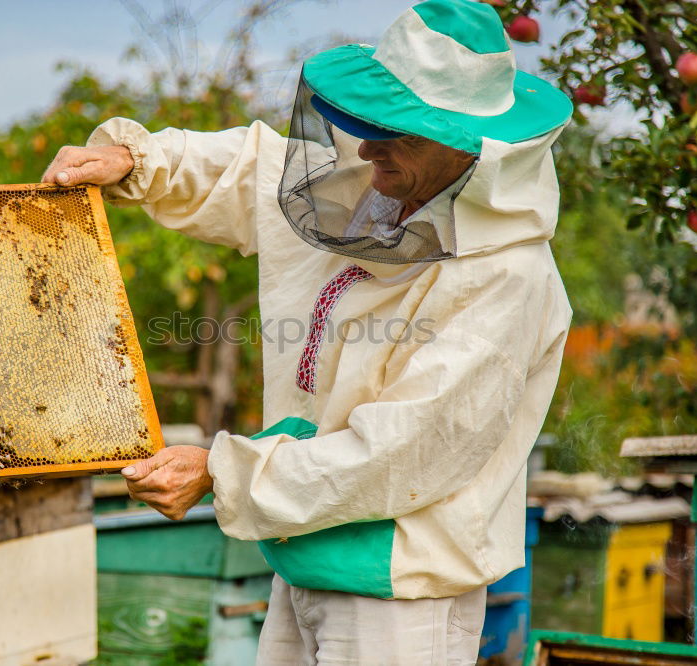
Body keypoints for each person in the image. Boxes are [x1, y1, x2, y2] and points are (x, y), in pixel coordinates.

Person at [43, 1, 573, 663]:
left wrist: (220, 470)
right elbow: (253, 169)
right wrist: (135, 159)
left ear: (466, 145)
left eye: (397, 133)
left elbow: (402, 452)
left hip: (401, 597)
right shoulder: (380, 194)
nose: (368, 146)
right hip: (306, 554)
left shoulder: (507, 277)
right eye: (369, 124)